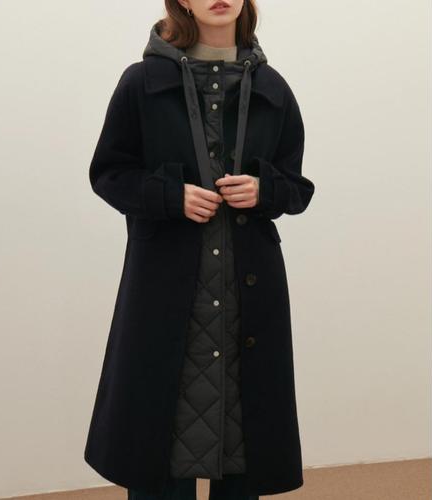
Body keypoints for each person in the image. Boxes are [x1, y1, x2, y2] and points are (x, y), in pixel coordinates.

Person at [84, 1, 315, 499]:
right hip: (164, 291)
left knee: (245, 446)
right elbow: (108, 173)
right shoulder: (141, 83)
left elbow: (298, 187)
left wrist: (265, 190)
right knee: (158, 447)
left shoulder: (273, 89)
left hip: (247, 294)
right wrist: (169, 197)